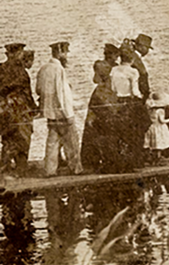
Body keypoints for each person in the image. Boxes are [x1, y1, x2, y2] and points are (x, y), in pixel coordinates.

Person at [35, 41, 82, 176]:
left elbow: (38, 90)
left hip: (49, 112)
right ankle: (76, 169)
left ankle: (50, 170)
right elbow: (62, 93)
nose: (66, 56)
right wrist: (68, 114)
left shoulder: (43, 68)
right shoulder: (59, 69)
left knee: (52, 142)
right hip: (62, 112)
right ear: (60, 53)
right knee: (71, 141)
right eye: (65, 53)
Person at [80, 46, 119, 173]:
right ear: (111, 55)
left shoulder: (102, 65)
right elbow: (96, 79)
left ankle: (94, 160)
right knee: (104, 129)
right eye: (115, 55)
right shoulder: (106, 66)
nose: (116, 58)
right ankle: (105, 159)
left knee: (96, 130)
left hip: (102, 95)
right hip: (105, 95)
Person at [0, 43, 37, 175]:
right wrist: (34, 108)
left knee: (7, 139)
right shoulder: (21, 72)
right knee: (23, 139)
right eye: (21, 53)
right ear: (16, 54)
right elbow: (27, 93)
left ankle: (4, 167)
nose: (22, 55)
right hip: (19, 111)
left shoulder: (1, 68)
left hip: (3, 110)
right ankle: (21, 169)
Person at [110, 43, 146, 169]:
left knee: (120, 133)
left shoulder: (114, 70)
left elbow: (112, 88)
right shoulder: (133, 71)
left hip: (117, 102)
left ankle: (121, 161)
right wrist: (142, 98)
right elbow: (135, 91)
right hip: (130, 102)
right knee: (133, 132)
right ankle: (134, 162)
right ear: (131, 59)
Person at [144, 91, 169, 163]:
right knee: (159, 143)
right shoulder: (160, 110)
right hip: (159, 127)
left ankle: (154, 158)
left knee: (153, 144)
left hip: (152, 126)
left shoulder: (150, 110)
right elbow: (162, 120)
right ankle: (159, 157)